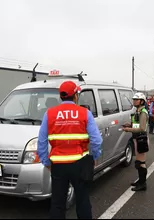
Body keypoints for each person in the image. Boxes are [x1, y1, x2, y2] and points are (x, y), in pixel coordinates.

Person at [37, 81, 102, 219]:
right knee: (83, 201)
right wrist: (94, 157)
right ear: (76, 96)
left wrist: (46, 162)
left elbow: (41, 142)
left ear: (61, 97)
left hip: (58, 165)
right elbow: (96, 140)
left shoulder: (50, 114)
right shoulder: (85, 113)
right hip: (80, 163)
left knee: (57, 204)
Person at [122, 92, 149, 191]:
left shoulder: (143, 112)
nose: (134, 101)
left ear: (142, 101)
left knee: (140, 162)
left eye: (136, 100)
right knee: (139, 162)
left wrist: (128, 129)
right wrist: (129, 125)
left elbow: (142, 128)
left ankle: (142, 184)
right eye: (134, 99)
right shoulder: (138, 111)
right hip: (137, 138)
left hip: (141, 139)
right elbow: (137, 125)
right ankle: (140, 181)